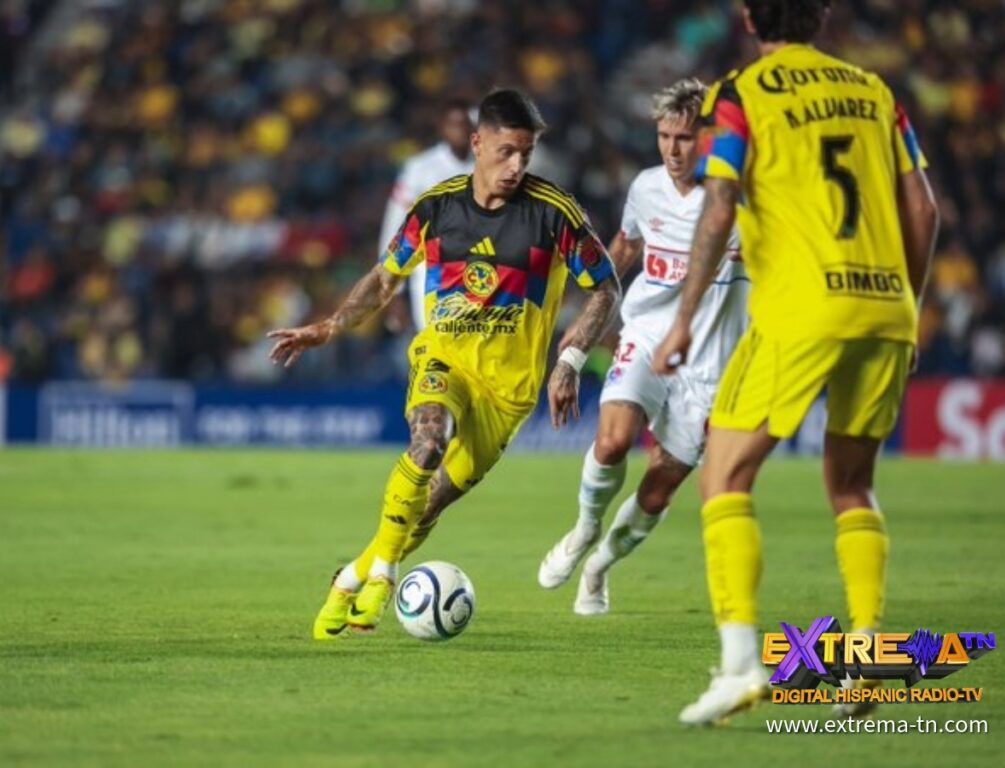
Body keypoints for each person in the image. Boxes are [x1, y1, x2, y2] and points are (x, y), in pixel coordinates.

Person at [652, 0, 939, 726]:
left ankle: (741, 667)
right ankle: (868, 659)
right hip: (886, 304)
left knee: (724, 475)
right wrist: (904, 306)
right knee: (852, 484)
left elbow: (719, 204)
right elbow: (925, 211)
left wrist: (683, 318)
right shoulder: (877, 94)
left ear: (749, 18)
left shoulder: (739, 94)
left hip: (801, 308)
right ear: (822, 15)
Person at [268, 89, 621, 637]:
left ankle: (352, 577)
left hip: (507, 393)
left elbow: (605, 288)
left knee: (426, 509)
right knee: (427, 441)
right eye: (505, 152)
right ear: (477, 143)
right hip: (444, 358)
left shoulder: (554, 214)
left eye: (526, 154)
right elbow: (386, 277)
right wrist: (330, 326)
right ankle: (384, 576)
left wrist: (570, 358)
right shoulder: (436, 207)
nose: (516, 166)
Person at [536, 79, 748, 616]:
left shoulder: (743, 199)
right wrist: (577, 343)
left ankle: (599, 566)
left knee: (658, 491)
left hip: (712, 362)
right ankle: (584, 528)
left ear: (709, 137)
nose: (673, 150)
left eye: (684, 137)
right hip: (649, 333)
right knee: (612, 441)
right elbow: (623, 252)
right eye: (663, 136)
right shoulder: (646, 188)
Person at [378, 99, 476, 330]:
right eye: (453, 124)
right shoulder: (420, 169)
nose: (460, 130)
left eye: (465, 124)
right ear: (441, 127)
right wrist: (393, 289)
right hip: (432, 269)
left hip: (479, 268)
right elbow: (396, 226)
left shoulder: (487, 166)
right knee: (436, 345)